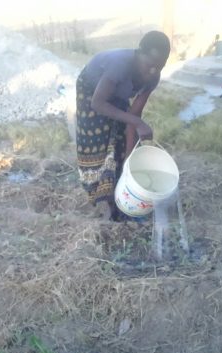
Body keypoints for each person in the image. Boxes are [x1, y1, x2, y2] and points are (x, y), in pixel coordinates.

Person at [76, 31, 170, 220]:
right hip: (92, 93)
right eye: (149, 65)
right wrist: (137, 122)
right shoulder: (120, 64)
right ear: (139, 54)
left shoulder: (153, 76)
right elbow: (98, 103)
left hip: (117, 96)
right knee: (97, 142)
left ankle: (118, 192)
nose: (152, 72)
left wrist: (129, 159)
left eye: (159, 67)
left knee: (120, 140)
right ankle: (100, 199)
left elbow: (134, 116)